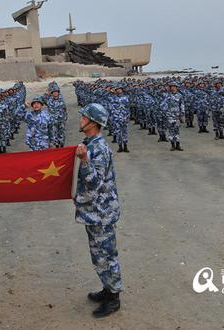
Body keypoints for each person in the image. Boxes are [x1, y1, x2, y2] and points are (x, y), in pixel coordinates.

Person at [74, 103, 123, 318]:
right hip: (95, 210)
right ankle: (107, 288)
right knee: (98, 255)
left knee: (106, 254)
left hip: (101, 212)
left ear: (92, 122)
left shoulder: (99, 148)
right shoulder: (90, 143)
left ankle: (114, 298)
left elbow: (94, 182)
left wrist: (84, 160)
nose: (80, 119)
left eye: (83, 117)